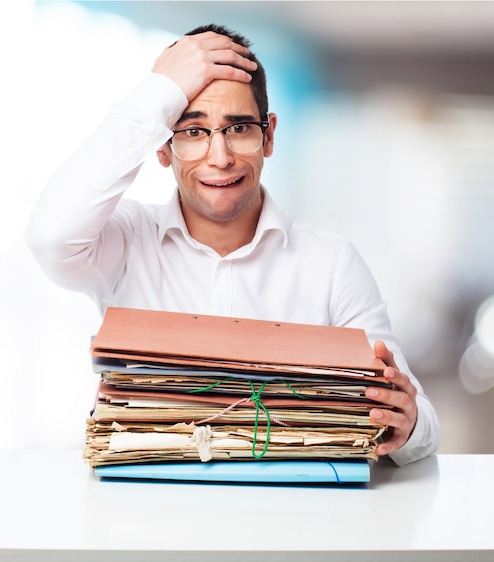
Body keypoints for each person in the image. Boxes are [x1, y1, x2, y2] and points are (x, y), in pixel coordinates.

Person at [27, 23, 440, 466]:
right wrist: (156, 94)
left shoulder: (332, 262)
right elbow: (51, 235)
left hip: (291, 523)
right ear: (161, 147)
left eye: (238, 127)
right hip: (148, 522)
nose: (219, 157)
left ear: (270, 135)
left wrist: (409, 420)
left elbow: (422, 425)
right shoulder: (124, 242)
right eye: (192, 132)